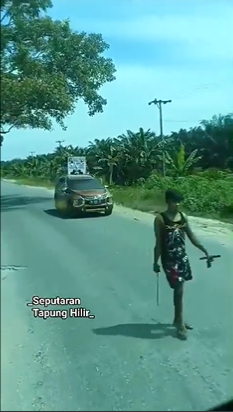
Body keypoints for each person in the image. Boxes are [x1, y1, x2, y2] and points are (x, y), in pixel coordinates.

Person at [153, 189, 209, 340]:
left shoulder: (183, 217)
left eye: (179, 202)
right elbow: (158, 243)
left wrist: (205, 250)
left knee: (181, 289)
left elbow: (191, 236)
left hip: (182, 258)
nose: (177, 204)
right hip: (169, 260)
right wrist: (155, 262)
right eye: (174, 201)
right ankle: (179, 323)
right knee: (178, 290)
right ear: (168, 202)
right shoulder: (160, 219)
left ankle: (178, 318)